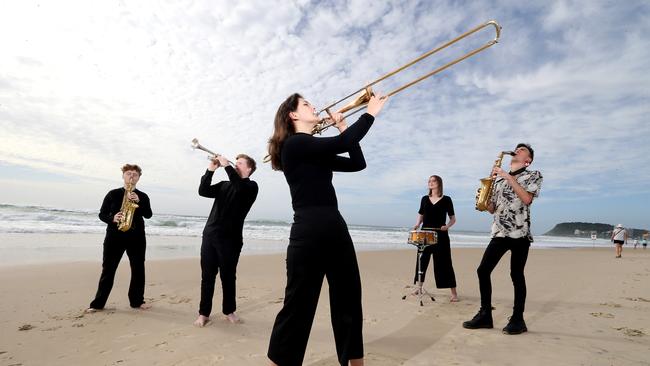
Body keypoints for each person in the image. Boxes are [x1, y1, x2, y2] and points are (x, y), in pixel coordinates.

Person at [266, 92, 388, 366]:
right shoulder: (295, 146)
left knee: (349, 300)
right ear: (293, 115)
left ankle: (354, 362)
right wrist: (369, 113)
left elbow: (358, 163)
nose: (314, 106)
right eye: (306, 104)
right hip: (308, 230)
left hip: (335, 227)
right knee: (298, 305)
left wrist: (344, 125)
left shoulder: (315, 149)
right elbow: (344, 143)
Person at [462, 143, 543, 335]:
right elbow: (493, 209)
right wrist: (484, 201)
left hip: (520, 233)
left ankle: (518, 320)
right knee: (483, 270)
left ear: (528, 160)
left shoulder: (534, 175)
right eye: (517, 148)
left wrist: (507, 176)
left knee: (516, 275)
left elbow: (527, 199)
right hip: (499, 233)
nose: (517, 150)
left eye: (522, 150)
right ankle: (485, 315)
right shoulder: (498, 181)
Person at [194, 153, 258, 327]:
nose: (235, 165)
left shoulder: (251, 187)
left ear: (249, 168)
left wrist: (227, 166)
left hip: (231, 240)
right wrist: (211, 170)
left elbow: (240, 189)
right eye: (234, 162)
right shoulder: (224, 185)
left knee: (228, 277)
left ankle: (229, 311)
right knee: (207, 276)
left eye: (240, 163)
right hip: (210, 236)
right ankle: (203, 313)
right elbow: (203, 191)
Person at [87, 164, 153, 312]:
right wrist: (112, 218)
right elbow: (102, 214)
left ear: (139, 178)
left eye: (135, 174)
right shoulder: (113, 194)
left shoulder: (143, 196)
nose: (131, 176)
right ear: (123, 176)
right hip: (114, 237)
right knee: (108, 270)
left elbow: (148, 214)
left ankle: (137, 302)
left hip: (137, 238)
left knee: (138, 270)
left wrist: (139, 202)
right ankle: (97, 304)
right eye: (129, 173)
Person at [411, 175, 458, 302]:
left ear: (439, 183)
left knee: (445, 263)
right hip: (424, 234)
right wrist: (417, 224)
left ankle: (454, 293)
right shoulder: (424, 199)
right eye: (429, 181)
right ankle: (419, 288)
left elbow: (453, 218)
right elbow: (421, 214)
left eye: (433, 181)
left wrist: (447, 226)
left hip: (441, 236)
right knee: (422, 261)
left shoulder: (447, 199)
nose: (430, 183)